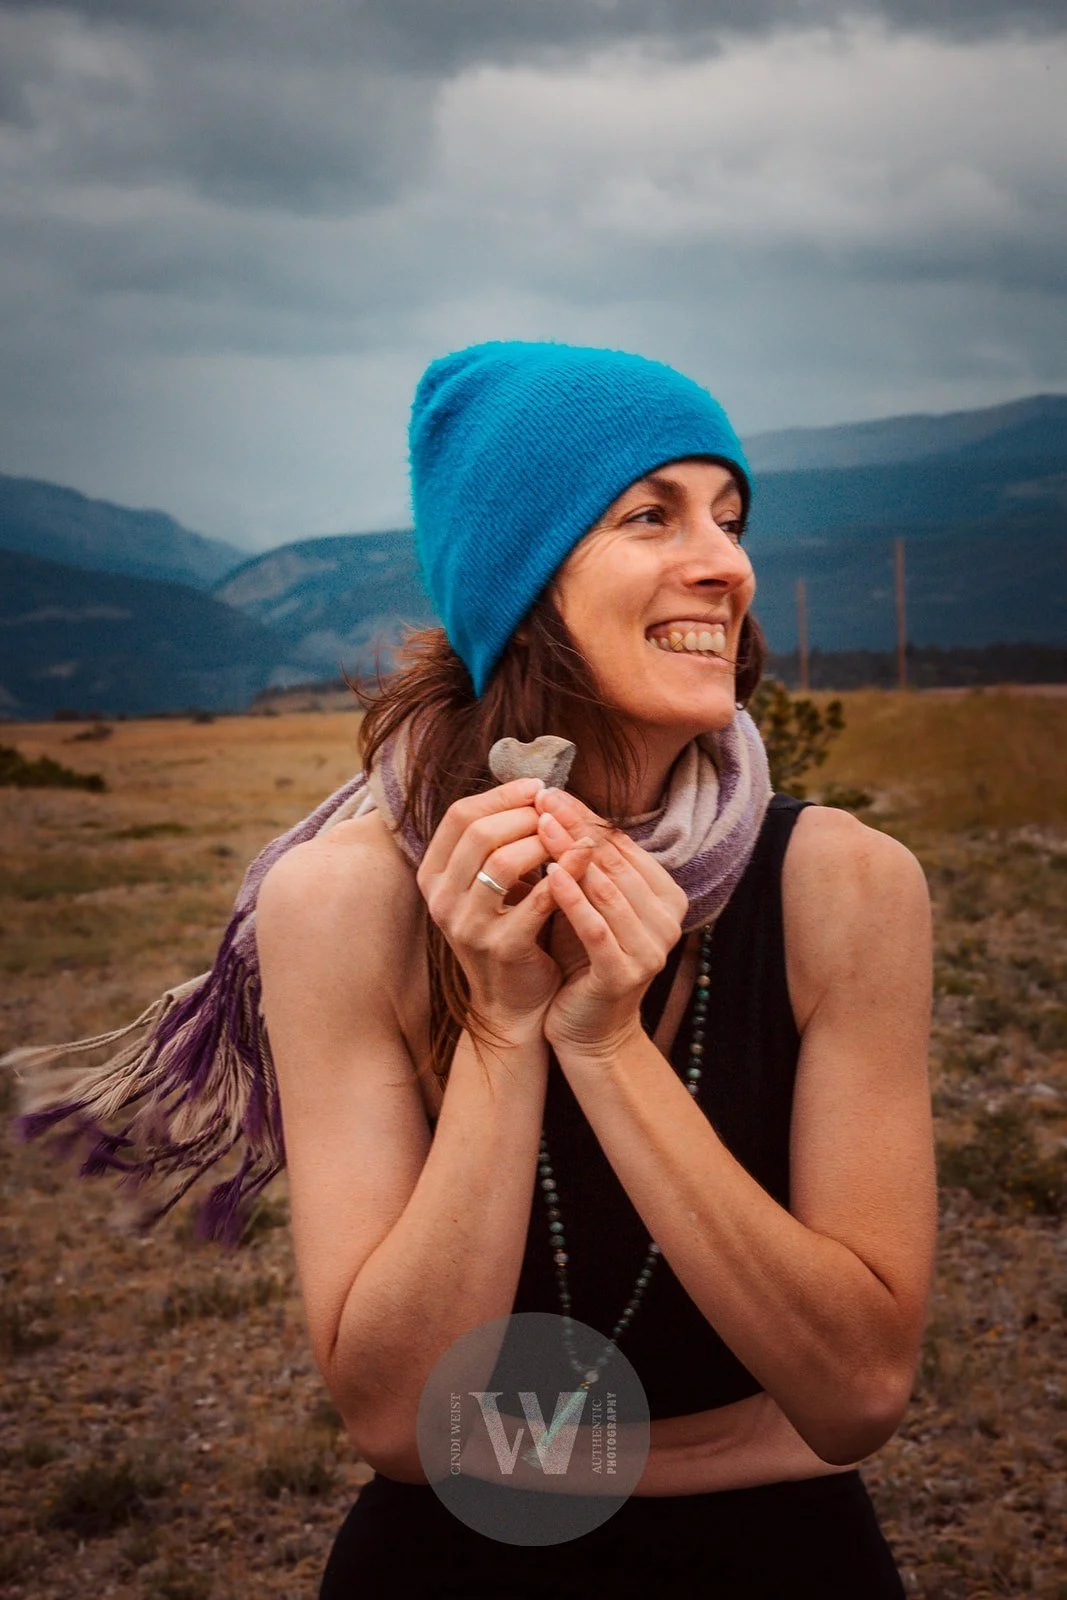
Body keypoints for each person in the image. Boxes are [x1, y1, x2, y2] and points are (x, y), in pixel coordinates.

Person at [250, 341, 937, 1598]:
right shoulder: (340, 903)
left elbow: (852, 1394)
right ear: (521, 577)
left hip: (781, 1560)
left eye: (729, 519)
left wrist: (609, 1044)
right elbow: (402, 1426)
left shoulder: (845, 889)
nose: (723, 562)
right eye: (648, 514)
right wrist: (504, 1026)